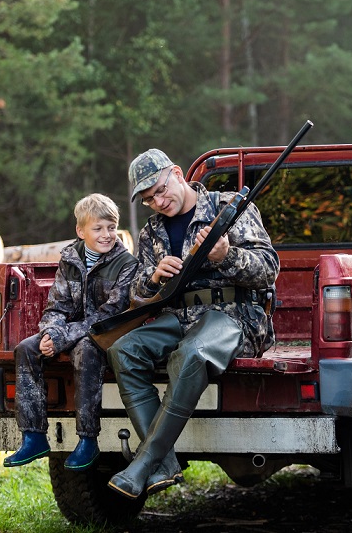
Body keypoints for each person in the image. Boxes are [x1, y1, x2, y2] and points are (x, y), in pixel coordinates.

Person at [106, 148, 279, 499]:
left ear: (178, 173)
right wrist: (154, 278)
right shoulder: (153, 231)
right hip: (178, 317)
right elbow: (137, 290)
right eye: (149, 198)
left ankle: (144, 463)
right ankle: (166, 464)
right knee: (124, 350)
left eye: (160, 190)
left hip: (234, 315)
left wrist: (225, 255)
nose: (158, 201)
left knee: (192, 353)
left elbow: (268, 268)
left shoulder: (227, 207)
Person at [3, 193, 138, 471]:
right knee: (27, 348)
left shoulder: (126, 264)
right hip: (69, 330)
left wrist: (63, 336)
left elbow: (110, 315)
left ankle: (88, 439)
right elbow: (57, 304)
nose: (106, 234)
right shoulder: (70, 259)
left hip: (106, 334)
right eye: (98, 228)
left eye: (111, 227)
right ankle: (33, 436)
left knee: (85, 350)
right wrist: (50, 334)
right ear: (81, 231)